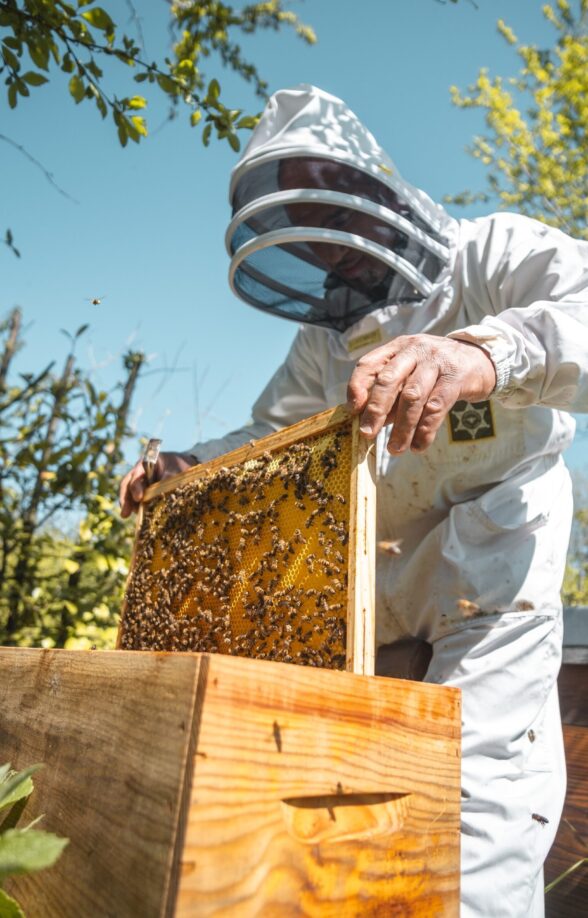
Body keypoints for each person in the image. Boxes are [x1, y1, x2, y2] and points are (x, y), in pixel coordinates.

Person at [120, 85, 588, 916]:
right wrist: (189, 465)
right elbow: (269, 435)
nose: (335, 253)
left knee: (481, 790)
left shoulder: (494, 253)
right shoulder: (324, 343)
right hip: (372, 575)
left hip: (496, 549)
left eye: (327, 196)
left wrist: (486, 352)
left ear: (374, 186)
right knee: (341, 789)